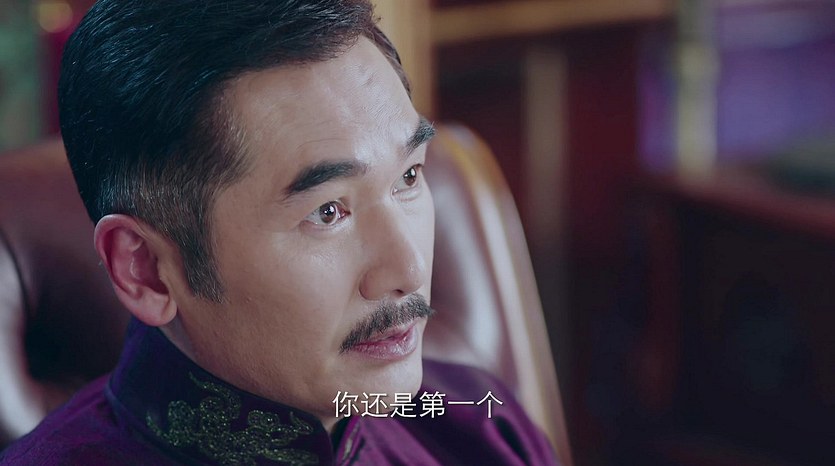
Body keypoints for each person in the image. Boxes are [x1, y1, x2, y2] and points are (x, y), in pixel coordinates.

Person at [0, 1, 559, 464]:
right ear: (146, 270)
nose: (409, 269)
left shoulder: (476, 421)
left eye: (408, 177)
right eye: (328, 212)